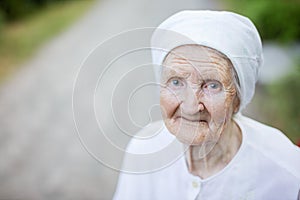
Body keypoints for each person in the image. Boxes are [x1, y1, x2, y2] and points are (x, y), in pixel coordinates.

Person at [113, 10, 300, 200]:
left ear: (237, 100)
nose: (191, 106)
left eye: (212, 85)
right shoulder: (143, 149)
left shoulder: (287, 171)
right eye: (176, 82)